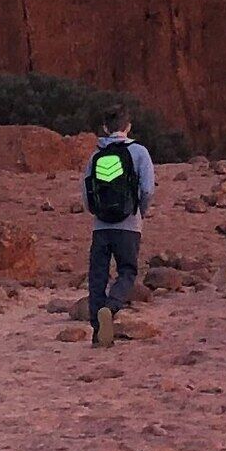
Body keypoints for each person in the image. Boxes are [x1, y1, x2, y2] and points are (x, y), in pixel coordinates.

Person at [80, 114, 154, 347]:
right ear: (128, 126)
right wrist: (139, 212)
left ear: (104, 127)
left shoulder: (95, 156)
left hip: (101, 227)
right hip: (129, 225)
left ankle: (97, 331)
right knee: (128, 272)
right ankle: (111, 307)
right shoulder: (140, 152)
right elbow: (148, 189)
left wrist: (98, 213)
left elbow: (86, 191)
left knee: (97, 277)